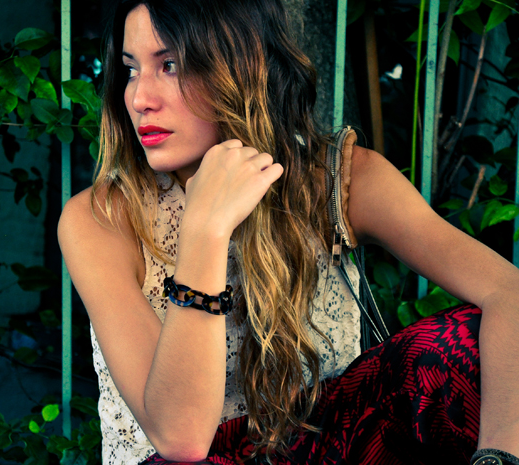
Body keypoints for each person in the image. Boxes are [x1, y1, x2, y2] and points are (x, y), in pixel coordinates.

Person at [57, 0, 519, 463]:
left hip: (323, 447)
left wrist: (499, 457)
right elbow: (180, 439)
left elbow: (508, 293)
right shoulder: (100, 220)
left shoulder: (337, 180)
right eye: (131, 70)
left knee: (459, 343)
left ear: (243, 65)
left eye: (171, 65)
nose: (140, 98)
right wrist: (205, 230)